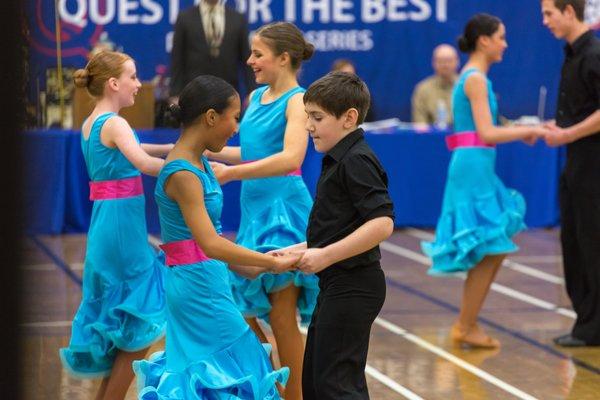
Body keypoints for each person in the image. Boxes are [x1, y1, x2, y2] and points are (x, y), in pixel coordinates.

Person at [133, 75, 297, 399]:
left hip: (208, 279)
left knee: (225, 379)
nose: (236, 128)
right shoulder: (182, 172)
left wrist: (265, 264)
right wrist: (267, 262)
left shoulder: (200, 163)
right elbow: (209, 244)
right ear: (210, 117)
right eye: (234, 118)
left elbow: (211, 244)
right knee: (244, 371)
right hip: (198, 289)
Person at [421, 14, 547, 348]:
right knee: (489, 245)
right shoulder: (475, 79)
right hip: (472, 166)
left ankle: (467, 323)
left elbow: (489, 128)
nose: (505, 43)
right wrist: (529, 130)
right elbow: (487, 131)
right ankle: (465, 324)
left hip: (478, 164)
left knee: (493, 246)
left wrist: (522, 129)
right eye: (501, 37)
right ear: (484, 41)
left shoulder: (476, 78)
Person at [206, 22, 317, 400]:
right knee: (242, 307)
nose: (249, 60)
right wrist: (206, 151)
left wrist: (231, 173)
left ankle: (295, 395)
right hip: (255, 210)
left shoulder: (299, 101)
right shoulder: (255, 97)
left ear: (283, 58)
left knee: (282, 317)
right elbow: (253, 153)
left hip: (284, 211)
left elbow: (290, 158)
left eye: (258, 53)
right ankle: (275, 384)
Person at [59, 51, 173, 400]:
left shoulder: (93, 122)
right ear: (113, 83)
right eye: (133, 77)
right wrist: (186, 167)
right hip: (121, 228)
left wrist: (172, 146)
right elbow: (140, 161)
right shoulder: (116, 123)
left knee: (127, 325)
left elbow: (131, 148)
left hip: (108, 224)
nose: (139, 84)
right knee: (137, 323)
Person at [283, 71, 395, 399]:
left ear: (349, 118)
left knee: (337, 387)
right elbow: (338, 228)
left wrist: (324, 255)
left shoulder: (356, 160)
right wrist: (301, 249)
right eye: (308, 117)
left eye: (317, 118)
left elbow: (382, 222)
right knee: (318, 384)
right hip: (336, 285)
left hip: (355, 285)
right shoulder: (338, 158)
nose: (308, 126)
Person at [541, 0, 600, 347]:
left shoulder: (593, 53)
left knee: (591, 243)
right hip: (576, 161)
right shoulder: (572, 54)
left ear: (569, 11)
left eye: (549, 13)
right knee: (574, 242)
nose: (544, 20)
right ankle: (587, 322)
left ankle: (593, 327)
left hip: (593, 164)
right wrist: (561, 126)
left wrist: (568, 133)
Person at [169, 0, 255, 101]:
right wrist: (175, 93)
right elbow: (177, 58)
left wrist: (252, 91)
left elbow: (246, 57)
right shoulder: (185, 18)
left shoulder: (237, 18)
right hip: (195, 91)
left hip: (228, 91)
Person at [411, 44, 460, 127]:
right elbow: (419, 124)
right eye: (441, 61)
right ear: (433, 63)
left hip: (462, 137)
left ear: (457, 62)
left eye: (449, 60)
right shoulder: (423, 89)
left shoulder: (467, 87)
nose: (445, 65)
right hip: (431, 138)